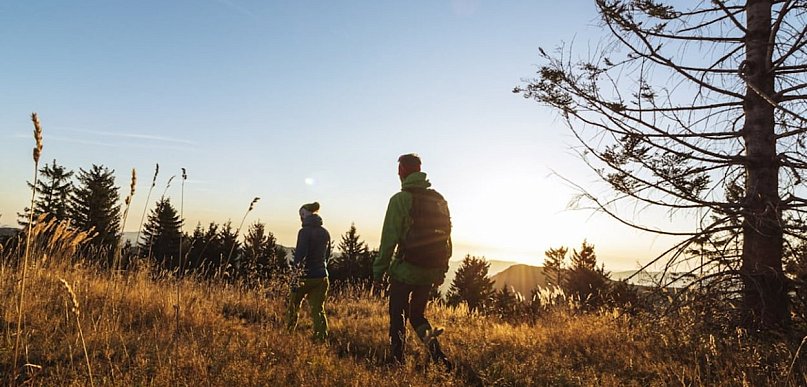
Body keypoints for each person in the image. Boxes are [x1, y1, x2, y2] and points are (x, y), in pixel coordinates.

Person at [373, 153, 453, 370]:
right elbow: (446, 237)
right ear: (420, 170)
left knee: (397, 315)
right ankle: (439, 357)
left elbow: (388, 239)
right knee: (417, 316)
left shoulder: (400, 200)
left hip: (406, 270)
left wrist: (378, 272)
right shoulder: (439, 200)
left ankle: (397, 362)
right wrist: (441, 269)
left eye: (399, 168)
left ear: (402, 171)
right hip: (430, 270)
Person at [286, 202, 331, 342]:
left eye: (302, 215)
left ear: (307, 215)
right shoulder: (325, 232)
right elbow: (327, 255)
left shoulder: (303, 232)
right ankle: (321, 339)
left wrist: (295, 276)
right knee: (318, 309)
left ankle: (288, 335)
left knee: (293, 306)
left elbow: (300, 255)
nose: (301, 219)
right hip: (322, 277)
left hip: (305, 277)